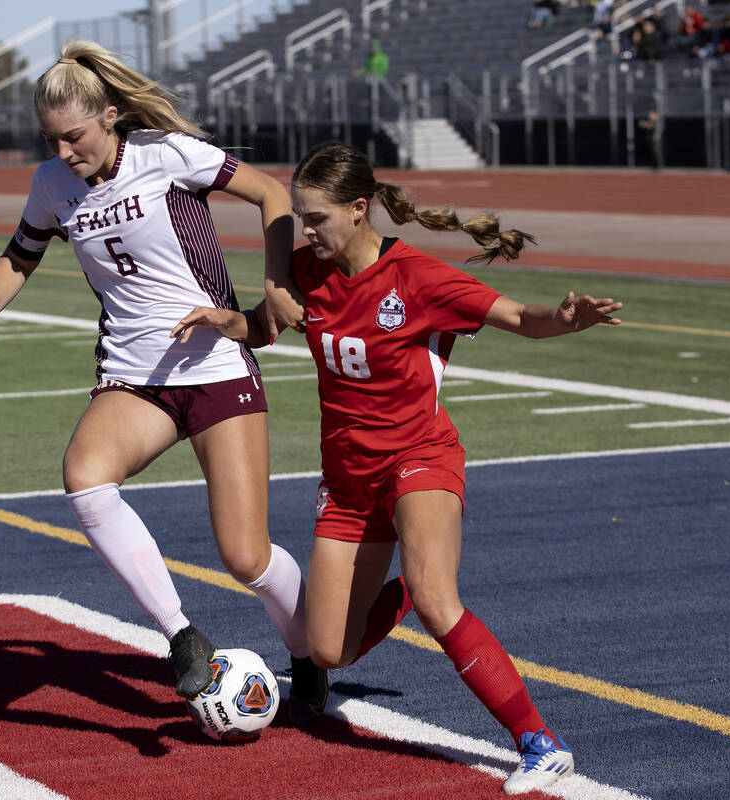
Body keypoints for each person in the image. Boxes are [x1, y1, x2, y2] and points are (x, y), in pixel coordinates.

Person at [172, 141, 622, 794]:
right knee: (327, 650)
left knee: (442, 601)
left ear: (359, 209)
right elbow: (271, 326)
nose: (307, 230)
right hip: (348, 486)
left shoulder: (418, 279)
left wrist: (564, 320)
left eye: (317, 217)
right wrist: (230, 322)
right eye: (299, 217)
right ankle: (408, 585)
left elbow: (519, 318)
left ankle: (540, 743)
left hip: (420, 460)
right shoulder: (307, 269)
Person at [0, 40, 325, 719]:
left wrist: (275, 282)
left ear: (110, 116)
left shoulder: (165, 153)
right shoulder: (52, 185)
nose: (63, 153)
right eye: (51, 140)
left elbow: (269, 192)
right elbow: (19, 255)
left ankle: (311, 656)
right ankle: (181, 636)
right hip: (134, 376)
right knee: (84, 476)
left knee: (246, 556)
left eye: (74, 137)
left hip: (215, 365)